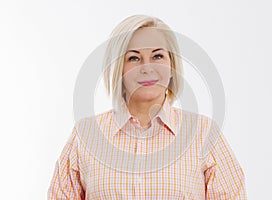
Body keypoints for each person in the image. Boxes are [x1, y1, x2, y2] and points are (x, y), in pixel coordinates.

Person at [48, 15, 247, 199]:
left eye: (157, 56)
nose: (147, 67)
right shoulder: (86, 134)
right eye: (133, 58)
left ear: (172, 66)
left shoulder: (203, 132)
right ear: (118, 69)